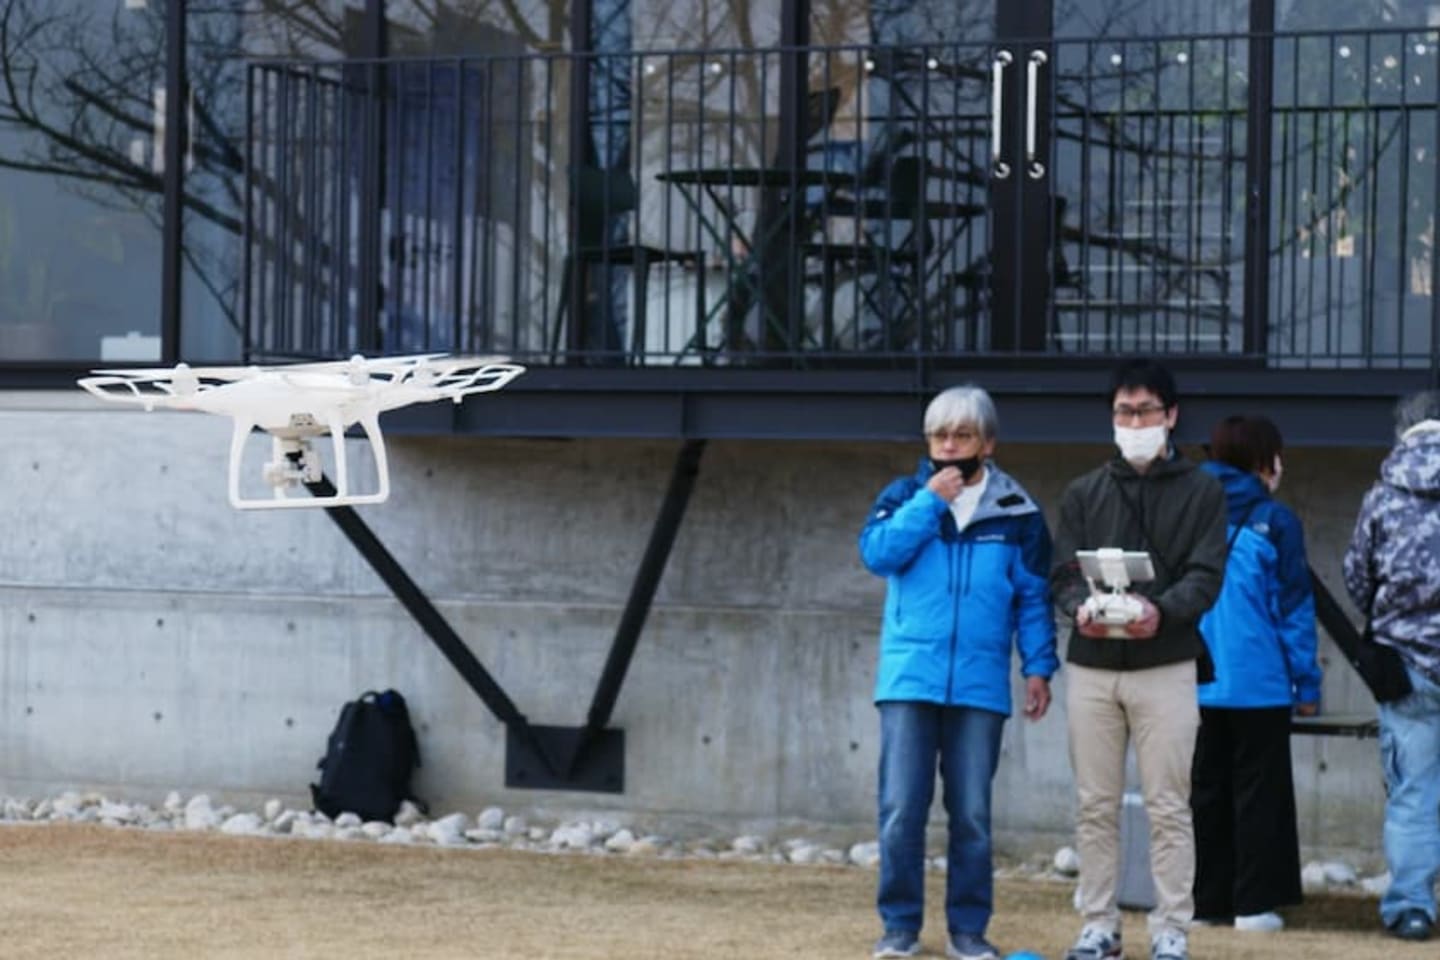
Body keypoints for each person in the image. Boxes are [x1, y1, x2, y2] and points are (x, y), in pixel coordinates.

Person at [859, 384, 1057, 960]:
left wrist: (1039, 667)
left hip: (979, 683)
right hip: (909, 678)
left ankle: (968, 931)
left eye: (962, 435)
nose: (948, 446)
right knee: (901, 808)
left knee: (971, 814)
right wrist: (929, 503)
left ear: (987, 443)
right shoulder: (903, 496)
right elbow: (877, 554)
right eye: (939, 435)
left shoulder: (1018, 511)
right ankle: (899, 928)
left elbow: (1033, 597)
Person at [1049, 359, 1228, 960]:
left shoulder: (1203, 491)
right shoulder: (1085, 491)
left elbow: (1206, 575)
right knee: (1095, 804)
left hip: (1166, 664)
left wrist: (1162, 612)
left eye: (1145, 410)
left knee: (1169, 805)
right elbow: (1063, 573)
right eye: (1123, 412)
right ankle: (1098, 923)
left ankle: (1172, 927)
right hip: (1093, 665)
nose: (1134, 422)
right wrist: (1078, 607)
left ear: (1171, 415)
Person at [1191, 415, 1322, 933]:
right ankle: (1254, 905)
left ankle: (1208, 904)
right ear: (1264, 461)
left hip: (1195, 679)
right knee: (1259, 795)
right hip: (1260, 683)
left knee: (1207, 794)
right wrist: (1306, 683)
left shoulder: (1189, 510)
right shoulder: (1276, 520)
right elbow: (1293, 611)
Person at [1343, 390, 1440, 943]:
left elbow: (1358, 577)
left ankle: (1412, 908)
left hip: (1406, 666)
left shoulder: (1382, 496)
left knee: (1413, 791)